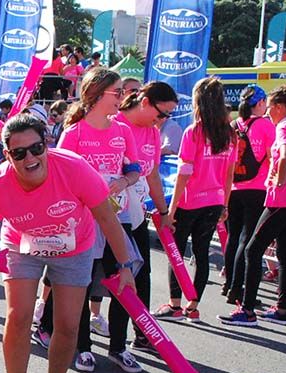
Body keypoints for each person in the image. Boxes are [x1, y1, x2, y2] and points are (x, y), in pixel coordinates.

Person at [0, 114, 136, 373]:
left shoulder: (74, 168)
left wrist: (125, 265)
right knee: (17, 317)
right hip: (22, 244)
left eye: (36, 148)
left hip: (75, 245)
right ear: (7, 155)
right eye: (19, 153)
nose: (30, 158)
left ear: (46, 143)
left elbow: (107, 218)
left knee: (67, 325)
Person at [55, 67, 143, 373]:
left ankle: (119, 347)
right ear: (96, 93)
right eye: (117, 92)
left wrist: (123, 181)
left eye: (123, 93)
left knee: (124, 279)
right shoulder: (74, 133)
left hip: (118, 217)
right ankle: (83, 348)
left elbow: (135, 169)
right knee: (81, 283)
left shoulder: (123, 130)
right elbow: (61, 178)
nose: (123, 98)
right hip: (84, 222)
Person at [219, 79, 286, 327]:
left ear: (280, 105)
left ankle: (247, 311)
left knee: (252, 249)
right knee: (285, 252)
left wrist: (280, 179)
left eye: (270, 106)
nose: (267, 112)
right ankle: (282, 309)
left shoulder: (285, 127)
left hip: (282, 198)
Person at [152, 77, 235, 323]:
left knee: (176, 252)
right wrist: (225, 203)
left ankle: (175, 304)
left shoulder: (195, 132)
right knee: (201, 252)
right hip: (215, 200)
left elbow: (184, 172)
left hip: (190, 202)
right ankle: (193, 305)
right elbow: (229, 172)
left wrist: (171, 208)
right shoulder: (229, 133)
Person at [115, 81, 178, 352]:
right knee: (94, 278)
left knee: (141, 275)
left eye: (168, 115)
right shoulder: (115, 124)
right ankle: (53, 323)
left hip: (137, 214)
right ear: (144, 101)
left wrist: (164, 212)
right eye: (161, 113)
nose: (163, 120)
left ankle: (142, 333)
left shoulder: (153, 132)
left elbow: (152, 174)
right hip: (109, 216)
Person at [221, 85, 275, 305]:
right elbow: (274, 155)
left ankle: (228, 284)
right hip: (257, 188)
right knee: (247, 239)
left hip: (234, 188)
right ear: (260, 103)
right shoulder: (264, 125)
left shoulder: (234, 124)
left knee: (233, 237)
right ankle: (237, 289)